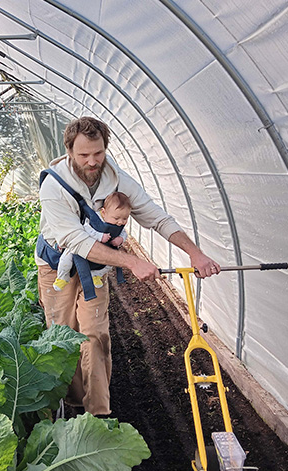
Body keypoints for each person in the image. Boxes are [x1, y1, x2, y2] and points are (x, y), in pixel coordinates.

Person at [36, 116, 220, 417]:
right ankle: (71, 405)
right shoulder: (54, 186)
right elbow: (76, 241)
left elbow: (155, 216)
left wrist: (195, 253)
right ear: (69, 150)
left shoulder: (116, 179)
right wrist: (132, 261)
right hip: (58, 267)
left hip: (96, 270)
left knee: (95, 335)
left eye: (98, 153)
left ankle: (98, 412)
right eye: (84, 155)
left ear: (105, 148)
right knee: (63, 336)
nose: (92, 161)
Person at [53, 191, 131, 292]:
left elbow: (123, 233)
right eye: (116, 218)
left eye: (125, 218)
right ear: (104, 212)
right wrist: (99, 236)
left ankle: (96, 275)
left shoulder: (118, 225)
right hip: (82, 245)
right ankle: (62, 277)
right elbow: (86, 228)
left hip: (104, 251)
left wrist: (120, 239)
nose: (120, 222)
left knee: (110, 263)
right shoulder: (96, 218)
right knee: (66, 259)